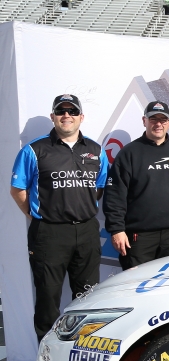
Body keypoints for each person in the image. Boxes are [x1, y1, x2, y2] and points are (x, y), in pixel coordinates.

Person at [10, 94, 108, 338]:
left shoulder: (96, 150)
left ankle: (80, 354)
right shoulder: (34, 149)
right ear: (53, 116)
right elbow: (18, 190)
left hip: (86, 231)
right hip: (49, 233)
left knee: (88, 297)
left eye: (72, 111)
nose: (67, 116)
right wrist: (36, 217)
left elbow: (100, 187)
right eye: (61, 111)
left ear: (81, 117)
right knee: (48, 298)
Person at [103, 100, 169, 270]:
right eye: (153, 119)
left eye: (163, 120)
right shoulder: (129, 153)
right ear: (144, 121)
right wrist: (116, 230)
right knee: (135, 288)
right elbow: (114, 195)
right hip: (139, 237)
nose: (158, 124)